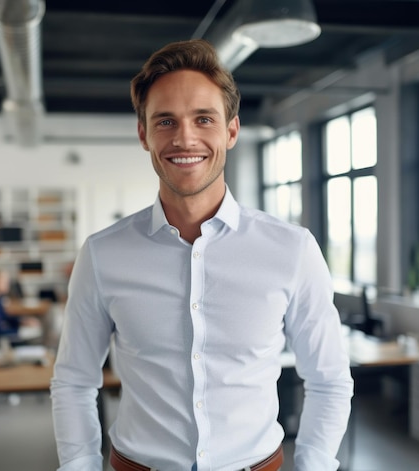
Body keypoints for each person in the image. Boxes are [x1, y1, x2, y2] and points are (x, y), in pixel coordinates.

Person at [51, 39, 353, 471]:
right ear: (144, 134)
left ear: (231, 131)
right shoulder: (103, 254)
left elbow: (328, 380)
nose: (185, 137)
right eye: (166, 121)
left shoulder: (293, 250)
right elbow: (74, 381)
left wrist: (314, 465)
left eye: (203, 119)